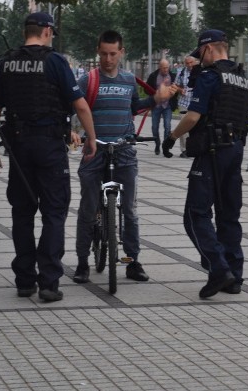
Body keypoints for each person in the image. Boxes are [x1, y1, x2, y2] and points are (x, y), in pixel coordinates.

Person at [0, 12, 97, 303]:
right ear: (47, 31)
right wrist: (91, 138)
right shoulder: (55, 61)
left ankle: (24, 280)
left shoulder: (6, 63)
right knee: (54, 212)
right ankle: (48, 282)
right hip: (49, 146)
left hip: (19, 147)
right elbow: (80, 105)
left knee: (22, 213)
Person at [72, 30, 177, 285]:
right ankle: (83, 262)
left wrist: (155, 98)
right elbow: (75, 109)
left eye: (113, 53)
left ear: (122, 52)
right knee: (87, 208)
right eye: (104, 53)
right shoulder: (88, 80)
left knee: (129, 209)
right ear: (98, 51)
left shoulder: (129, 79)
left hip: (123, 150)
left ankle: (132, 261)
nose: (108, 59)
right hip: (94, 150)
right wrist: (74, 131)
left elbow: (134, 107)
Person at [161, 29, 248, 299]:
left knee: (195, 214)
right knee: (228, 214)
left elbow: (193, 117)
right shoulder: (242, 79)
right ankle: (234, 276)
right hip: (235, 151)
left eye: (201, 53)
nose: (199, 58)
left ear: (210, 49)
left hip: (212, 151)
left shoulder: (211, 77)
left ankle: (218, 269)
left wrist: (171, 137)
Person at [146, 59, 178, 155]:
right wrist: (155, 95)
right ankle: (157, 143)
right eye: (164, 68)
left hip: (167, 105)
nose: (165, 69)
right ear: (159, 67)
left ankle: (165, 146)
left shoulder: (172, 76)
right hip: (156, 105)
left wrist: (173, 94)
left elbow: (176, 88)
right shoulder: (153, 76)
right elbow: (146, 89)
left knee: (167, 126)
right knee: (155, 127)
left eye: (167, 67)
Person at [175, 55, 199, 158]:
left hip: (196, 104)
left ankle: (195, 148)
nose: (189, 65)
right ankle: (184, 149)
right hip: (184, 103)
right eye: (187, 63)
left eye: (191, 63)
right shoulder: (181, 72)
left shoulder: (200, 72)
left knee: (196, 127)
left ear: (195, 62)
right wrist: (180, 90)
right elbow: (175, 85)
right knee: (184, 127)